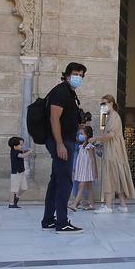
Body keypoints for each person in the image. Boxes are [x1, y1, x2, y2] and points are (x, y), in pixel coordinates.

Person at [42, 63, 86, 233]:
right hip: (60, 142)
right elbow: (54, 119)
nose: (78, 77)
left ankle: (48, 220)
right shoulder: (61, 91)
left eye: (81, 75)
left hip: (66, 140)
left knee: (56, 181)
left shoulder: (69, 92)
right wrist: (60, 144)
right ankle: (61, 222)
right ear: (67, 75)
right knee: (65, 181)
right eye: (75, 74)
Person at [96, 94, 135, 213]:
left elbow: (111, 135)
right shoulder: (112, 116)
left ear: (111, 103)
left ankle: (108, 206)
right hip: (114, 150)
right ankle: (123, 205)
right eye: (101, 104)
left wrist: (96, 138)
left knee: (109, 176)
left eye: (104, 103)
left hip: (113, 151)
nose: (102, 106)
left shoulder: (114, 116)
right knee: (117, 177)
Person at [69, 125, 97, 211]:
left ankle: (74, 205)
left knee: (81, 186)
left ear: (87, 134)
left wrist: (94, 170)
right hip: (82, 168)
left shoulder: (89, 145)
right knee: (89, 187)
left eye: (82, 133)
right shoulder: (82, 145)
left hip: (86, 169)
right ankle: (92, 205)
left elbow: (92, 158)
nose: (80, 135)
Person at [8, 137, 27, 209]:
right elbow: (22, 156)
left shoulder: (18, 150)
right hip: (15, 173)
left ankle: (17, 197)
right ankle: (11, 203)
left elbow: (23, 152)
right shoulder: (14, 152)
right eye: (20, 145)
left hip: (22, 172)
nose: (22, 146)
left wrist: (26, 151)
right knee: (14, 189)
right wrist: (29, 152)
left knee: (24, 188)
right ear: (15, 146)